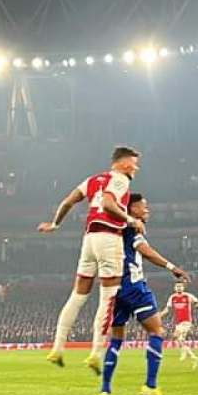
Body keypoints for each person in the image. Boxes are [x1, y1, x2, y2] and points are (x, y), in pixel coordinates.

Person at [39, 146, 142, 374]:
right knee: (108, 298)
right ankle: (96, 354)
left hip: (89, 240)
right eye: (134, 164)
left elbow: (67, 202)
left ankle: (57, 348)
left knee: (77, 296)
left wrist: (55, 224)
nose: (136, 168)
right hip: (109, 237)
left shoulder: (92, 180)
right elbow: (108, 203)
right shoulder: (120, 179)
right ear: (123, 163)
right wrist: (131, 220)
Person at [99, 193, 189, 395]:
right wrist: (172, 267)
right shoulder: (131, 228)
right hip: (134, 287)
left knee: (116, 340)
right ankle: (150, 386)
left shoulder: (113, 229)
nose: (147, 210)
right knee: (157, 332)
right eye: (143, 207)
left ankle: (105, 390)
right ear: (132, 209)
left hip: (115, 290)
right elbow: (145, 251)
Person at [159, 281, 198, 369]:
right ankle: (193, 357)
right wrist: (159, 316)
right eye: (177, 286)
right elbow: (167, 309)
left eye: (180, 286)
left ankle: (184, 353)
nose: (179, 288)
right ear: (174, 288)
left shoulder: (188, 296)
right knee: (179, 340)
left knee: (176, 336)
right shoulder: (172, 297)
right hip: (178, 323)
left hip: (186, 321)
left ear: (183, 287)